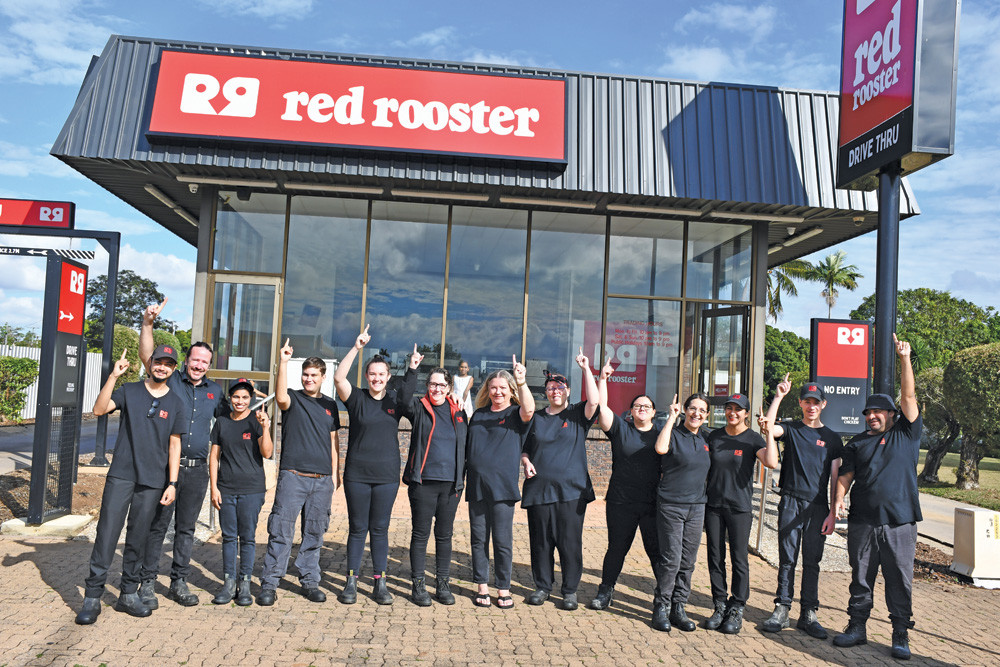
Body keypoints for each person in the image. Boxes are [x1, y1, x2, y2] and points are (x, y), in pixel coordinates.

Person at [825, 334, 922, 661]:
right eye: (868, 412)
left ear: (892, 414)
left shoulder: (906, 433)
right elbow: (846, 475)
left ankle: (900, 633)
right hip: (863, 523)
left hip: (900, 523)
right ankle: (857, 626)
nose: (872, 416)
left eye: (879, 411)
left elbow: (908, 395)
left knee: (899, 581)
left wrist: (904, 358)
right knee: (861, 578)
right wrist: (837, 499)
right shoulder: (857, 443)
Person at [75, 345, 184, 625]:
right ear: (150, 364)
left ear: (173, 369)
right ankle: (92, 596)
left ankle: (127, 594)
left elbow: (175, 445)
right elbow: (99, 409)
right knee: (107, 533)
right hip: (122, 474)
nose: (162, 367)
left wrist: (172, 483)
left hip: (153, 480)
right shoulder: (130, 391)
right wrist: (113, 377)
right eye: (158, 362)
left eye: (168, 364)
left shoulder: (176, 403)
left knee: (138, 537)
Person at [138, 298, 228, 609]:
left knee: (186, 529)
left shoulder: (216, 392)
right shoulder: (171, 379)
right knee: (158, 526)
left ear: (209, 364)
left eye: (205, 361)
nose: (199, 365)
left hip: (197, 470)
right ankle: (147, 581)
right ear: (186, 360)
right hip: (166, 469)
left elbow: (229, 422)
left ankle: (178, 581)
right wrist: (148, 323)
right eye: (195, 359)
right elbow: (148, 355)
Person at [333, 325, 420, 605]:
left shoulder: (395, 401)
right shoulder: (356, 398)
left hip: (386, 476)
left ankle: (380, 583)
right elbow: (338, 377)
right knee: (358, 528)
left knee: (380, 529)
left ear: (388, 377)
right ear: (367, 376)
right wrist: (357, 348)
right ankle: (351, 581)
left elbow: (408, 397)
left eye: (382, 374)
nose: (377, 378)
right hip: (357, 475)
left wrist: (413, 368)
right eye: (372, 374)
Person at [759, 374, 844, 640]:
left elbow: (835, 476)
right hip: (791, 501)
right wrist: (778, 396)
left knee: (812, 562)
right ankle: (782, 608)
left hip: (818, 507)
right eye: (807, 402)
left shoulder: (832, 438)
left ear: (823, 405)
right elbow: (768, 428)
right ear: (800, 403)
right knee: (787, 558)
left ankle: (808, 614)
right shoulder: (792, 428)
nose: (811, 406)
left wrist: (832, 511)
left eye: (815, 402)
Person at [256, 340, 341, 606]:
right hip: (293, 476)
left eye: (314, 375)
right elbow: (279, 397)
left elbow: (334, 442)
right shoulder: (292, 398)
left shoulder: (330, 405)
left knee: (314, 532)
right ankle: (270, 583)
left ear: (323, 378)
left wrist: (335, 474)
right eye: (305, 374)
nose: (309, 379)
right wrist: (282, 361)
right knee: (281, 530)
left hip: (322, 480)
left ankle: (309, 581)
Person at [520, 349, 599, 611]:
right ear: (546, 392)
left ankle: (569, 591)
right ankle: (542, 586)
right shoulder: (537, 418)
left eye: (560, 387)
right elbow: (524, 447)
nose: (555, 391)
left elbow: (595, 402)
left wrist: (587, 369)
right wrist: (525, 460)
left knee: (569, 542)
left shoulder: (577, 415)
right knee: (541, 541)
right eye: (551, 387)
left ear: (568, 391)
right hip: (540, 489)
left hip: (571, 492)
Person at [589, 361, 665, 617]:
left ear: (654, 412)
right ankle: (605, 590)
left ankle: (663, 596)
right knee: (617, 547)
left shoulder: (663, 435)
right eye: (637, 406)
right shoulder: (621, 430)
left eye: (646, 406)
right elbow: (602, 407)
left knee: (656, 551)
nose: (641, 409)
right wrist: (603, 379)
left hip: (653, 504)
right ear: (631, 411)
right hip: (621, 501)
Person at [703, 393, 778, 634]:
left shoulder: (753, 439)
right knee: (715, 557)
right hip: (713, 506)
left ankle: (737, 607)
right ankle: (719, 605)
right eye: (729, 408)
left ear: (746, 413)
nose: (732, 412)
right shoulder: (714, 436)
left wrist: (768, 434)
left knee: (739, 559)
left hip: (739, 508)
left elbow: (771, 463)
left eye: (738, 409)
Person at [465, 359, 534, 609]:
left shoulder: (516, 414)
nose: (498, 392)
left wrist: (522, 381)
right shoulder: (479, 415)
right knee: (478, 539)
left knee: (502, 541)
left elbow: (529, 411)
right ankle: (482, 585)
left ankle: (503, 587)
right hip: (477, 486)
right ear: (487, 390)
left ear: (510, 390)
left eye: (503, 388)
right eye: (493, 388)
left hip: (503, 488)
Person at [400, 367, 467, 606]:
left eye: (441, 385)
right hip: (423, 483)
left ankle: (442, 584)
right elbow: (403, 399)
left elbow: (465, 446)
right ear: (427, 386)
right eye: (432, 384)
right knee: (420, 534)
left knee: (445, 536)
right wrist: (412, 370)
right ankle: (418, 585)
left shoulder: (459, 412)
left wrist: (461, 479)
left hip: (451, 486)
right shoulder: (418, 408)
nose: (437, 389)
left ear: (449, 387)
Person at [208, 378, 274, 606]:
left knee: (247, 538)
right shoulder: (222, 422)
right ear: (230, 398)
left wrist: (265, 427)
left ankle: (244, 583)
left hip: (252, 489)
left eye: (245, 397)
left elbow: (267, 453)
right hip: (226, 488)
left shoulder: (256, 422)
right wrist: (214, 487)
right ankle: (228, 584)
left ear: (250, 399)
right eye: (236, 397)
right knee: (228, 537)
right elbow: (214, 456)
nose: (240, 401)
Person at [651, 392, 711, 633]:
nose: (696, 413)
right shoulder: (674, 433)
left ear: (706, 416)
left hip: (697, 507)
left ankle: (679, 607)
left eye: (702, 410)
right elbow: (660, 448)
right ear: (685, 410)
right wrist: (671, 418)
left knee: (688, 561)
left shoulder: (707, 438)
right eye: (692, 408)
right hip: (671, 505)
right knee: (671, 559)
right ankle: (661, 608)